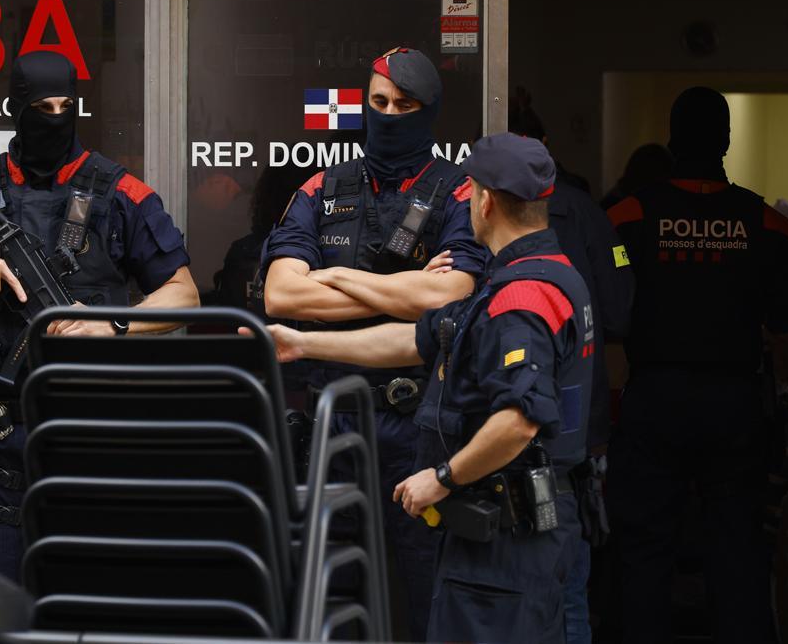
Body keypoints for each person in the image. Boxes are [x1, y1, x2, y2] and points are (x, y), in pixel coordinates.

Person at [258, 133, 594, 642]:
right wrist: (304, 346)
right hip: (515, 528)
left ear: (484, 201)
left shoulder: (521, 297)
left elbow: (518, 420)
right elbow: (416, 341)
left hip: (510, 537)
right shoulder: (534, 278)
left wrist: (441, 477)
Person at [0, 50, 199, 582]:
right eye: (43, 106)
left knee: (89, 608)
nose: (57, 116)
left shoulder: (120, 192)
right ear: (16, 108)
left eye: (68, 105)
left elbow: (185, 296)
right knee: (1, 611)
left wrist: (112, 323)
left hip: (91, 436)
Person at [260, 46, 487, 640]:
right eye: (378, 102)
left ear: (429, 110)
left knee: (423, 591)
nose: (388, 114)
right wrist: (399, 288)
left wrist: (331, 276)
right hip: (336, 422)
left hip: (421, 426)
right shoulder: (320, 186)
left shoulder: (461, 193)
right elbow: (282, 297)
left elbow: (453, 296)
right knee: (333, 588)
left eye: (404, 105)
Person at [604, 87, 788, 643]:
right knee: (738, 549)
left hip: (654, 401)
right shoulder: (769, 227)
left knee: (645, 553)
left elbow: (610, 292)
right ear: (725, 139)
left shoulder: (627, 218)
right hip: (734, 407)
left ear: (671, 138)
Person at [511, 94, 636, 644]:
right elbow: (622, 309)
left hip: (499, 435)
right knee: (568, 590)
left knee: (513, 594)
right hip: (574, 435)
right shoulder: (586, 214)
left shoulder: (480, 217)